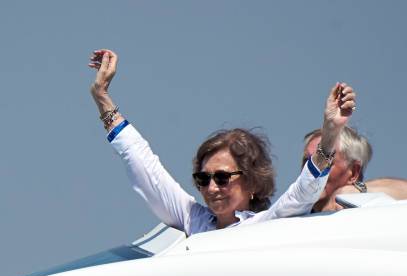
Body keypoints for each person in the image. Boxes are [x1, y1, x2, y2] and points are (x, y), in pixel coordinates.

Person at [89, 49, 357, 235]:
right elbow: (140, 160)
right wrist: (101, 96)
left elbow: (305, 190)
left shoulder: (267, 225)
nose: (211, 187)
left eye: (222, 177)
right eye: (203, 179)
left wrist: (331, 132)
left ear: (252, 182)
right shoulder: (193, 220)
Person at [302, 127, 407, 212]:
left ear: (354, 173)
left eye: (325, 162)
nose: (312, 170)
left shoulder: (373, 212)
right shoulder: (290, 214)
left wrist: (359, 190)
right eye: (307, 162)